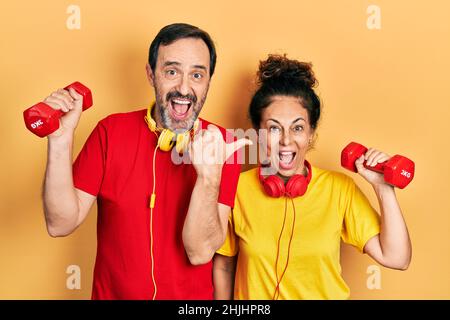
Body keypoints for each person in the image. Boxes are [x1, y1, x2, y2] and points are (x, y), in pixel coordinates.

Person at [42, 23, 250, 299]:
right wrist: (60, 139)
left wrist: (209, 176)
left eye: (197, 75)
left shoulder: (224, 145)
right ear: (151, 75)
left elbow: (199, 252)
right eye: (172, 72)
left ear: (209, 81)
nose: (184, 88)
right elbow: (60, 223)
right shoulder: (110, 132)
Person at [213, 54, 412, 300]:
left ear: (311, 133)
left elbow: (397, 258)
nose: (286, 140)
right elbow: (223, 265)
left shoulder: (340, 189)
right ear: (257, 132)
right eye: (274, 128)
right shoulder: (237, 188)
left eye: (297, 128)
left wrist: (383, 188)